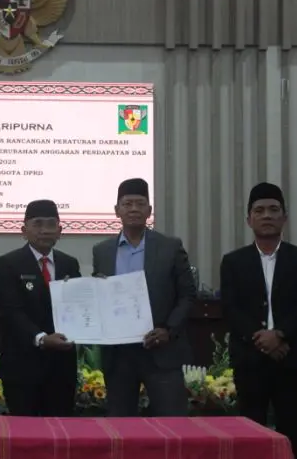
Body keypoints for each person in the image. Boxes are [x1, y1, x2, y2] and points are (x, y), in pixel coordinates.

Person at [220, 182, 297, 459]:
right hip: (249, 359)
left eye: (274, 210)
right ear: (249, 219)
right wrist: (262, 339)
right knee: (251, 432)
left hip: (290, 357)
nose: (267, 216)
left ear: (284, 217)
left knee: (291, 430)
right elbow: (230, 308)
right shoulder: (233, 262)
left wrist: (280, 334)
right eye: (259, 210)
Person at [92, 178, 196, 417]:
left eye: (140, 204)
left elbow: (187, 295)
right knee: (121, 425)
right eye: (127, 204)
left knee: (172, 423)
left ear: (149, 211)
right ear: (116, 210)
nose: (134, 209)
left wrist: (168, 330)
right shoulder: (102, 251)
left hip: (162, 351)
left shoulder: (170, 246)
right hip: (119, 356)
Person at [0, 199, 81, 416]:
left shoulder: (70, 263)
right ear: (24, 231)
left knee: (60, 431)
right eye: (38, 224)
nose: (44, 230)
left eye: (51, 224)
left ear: (60, 231)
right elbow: (11, 311)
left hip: (62, 369)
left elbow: (80, 306)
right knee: (26, 433)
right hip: (22, 368)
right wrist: (42, 338)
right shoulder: (9, 263)